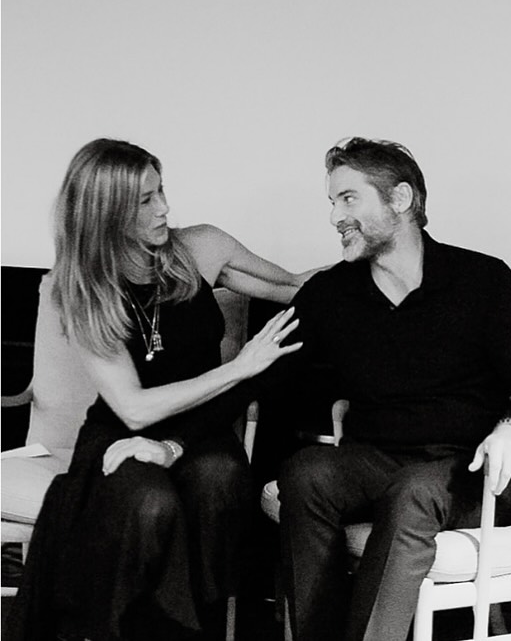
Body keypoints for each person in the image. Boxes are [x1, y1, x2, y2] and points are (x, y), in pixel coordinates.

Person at [7, 138, 317, 641]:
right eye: (145, 201)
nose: (165, 209)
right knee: (151, 504)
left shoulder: (201, 247)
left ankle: (201, 632)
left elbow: (298, 288)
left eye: (162, 190)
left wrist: (362, 257)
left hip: (202, 429)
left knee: (219, 479)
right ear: (106, 212)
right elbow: (131, 409)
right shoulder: (83, 287)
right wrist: (238, 369)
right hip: (120, 433)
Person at [276, 137, 511, 641]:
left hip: (475, 471)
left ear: (401, 199)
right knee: (308, 473)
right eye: (332, 202)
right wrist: (174, 440)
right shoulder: (332, 294)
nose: (334, 217)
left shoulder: (482, 280)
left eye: (348, 199)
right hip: (379, 461)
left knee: (412, 491)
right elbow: (275, 378)